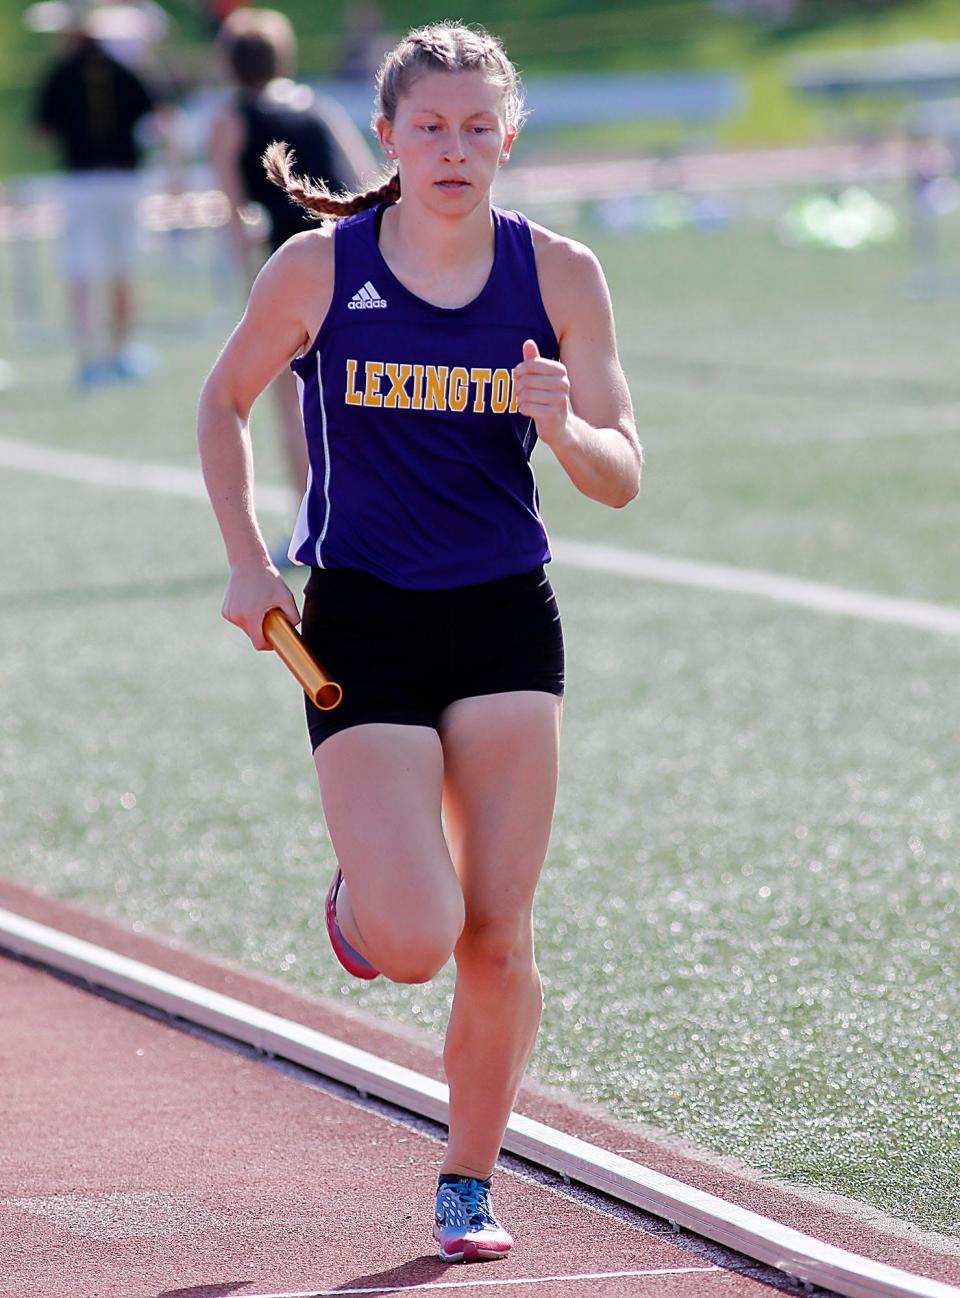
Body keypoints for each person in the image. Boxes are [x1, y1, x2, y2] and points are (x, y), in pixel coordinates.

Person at [197, 21, 642, 1264]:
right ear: (387, 135)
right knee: (412, 938)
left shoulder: (559, 273)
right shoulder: (318, 268)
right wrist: (247, 556)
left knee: (498, 933)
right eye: (430, 126)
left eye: (478, 125)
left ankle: (466, 1178)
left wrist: (565, 430)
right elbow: (224, 400)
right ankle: (366, 898)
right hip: (362, 619)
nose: (456, 147)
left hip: (506, 617)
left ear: (511, 134)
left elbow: (621, 475)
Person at [208, 8, 374, 508]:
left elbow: (232, 205)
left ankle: (312, 511)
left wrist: (248, 279)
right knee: (365, 387)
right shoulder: (318, 107)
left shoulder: (231, 118)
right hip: (352, 253)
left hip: (290, 264)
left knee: (295, 396)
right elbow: (365, 178)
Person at [32, 0, 159, 389]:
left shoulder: (60, 72)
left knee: (82, 271)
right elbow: (154, 116)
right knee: (123, 268)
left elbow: (40, 132)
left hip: (81, 183)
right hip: (123, 180)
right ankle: (122, 351)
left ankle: (90, 358)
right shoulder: (125, 68)